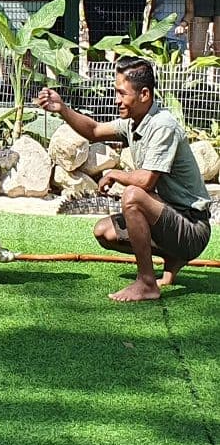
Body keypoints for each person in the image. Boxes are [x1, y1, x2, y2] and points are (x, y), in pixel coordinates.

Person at [37, 58, 212, 302]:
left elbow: (146, 181)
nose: (116, 100)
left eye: (122, 93)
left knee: (133, 196)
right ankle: (173, 259)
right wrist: (63, 110)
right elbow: (94, 131)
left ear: (144, 94)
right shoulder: (134, 121)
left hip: (193, 228)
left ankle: (147, 283)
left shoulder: (163, 126)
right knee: (105, 232)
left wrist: (115, 174)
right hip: (172, 216)